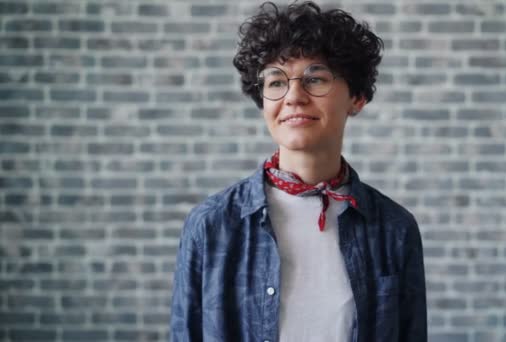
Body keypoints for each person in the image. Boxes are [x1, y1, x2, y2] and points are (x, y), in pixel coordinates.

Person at [170, 1, 427, 341]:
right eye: (276, 82)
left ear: (357, 97)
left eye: (315, 78)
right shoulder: (211, 226)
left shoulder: (395, 229)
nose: (293, 96)